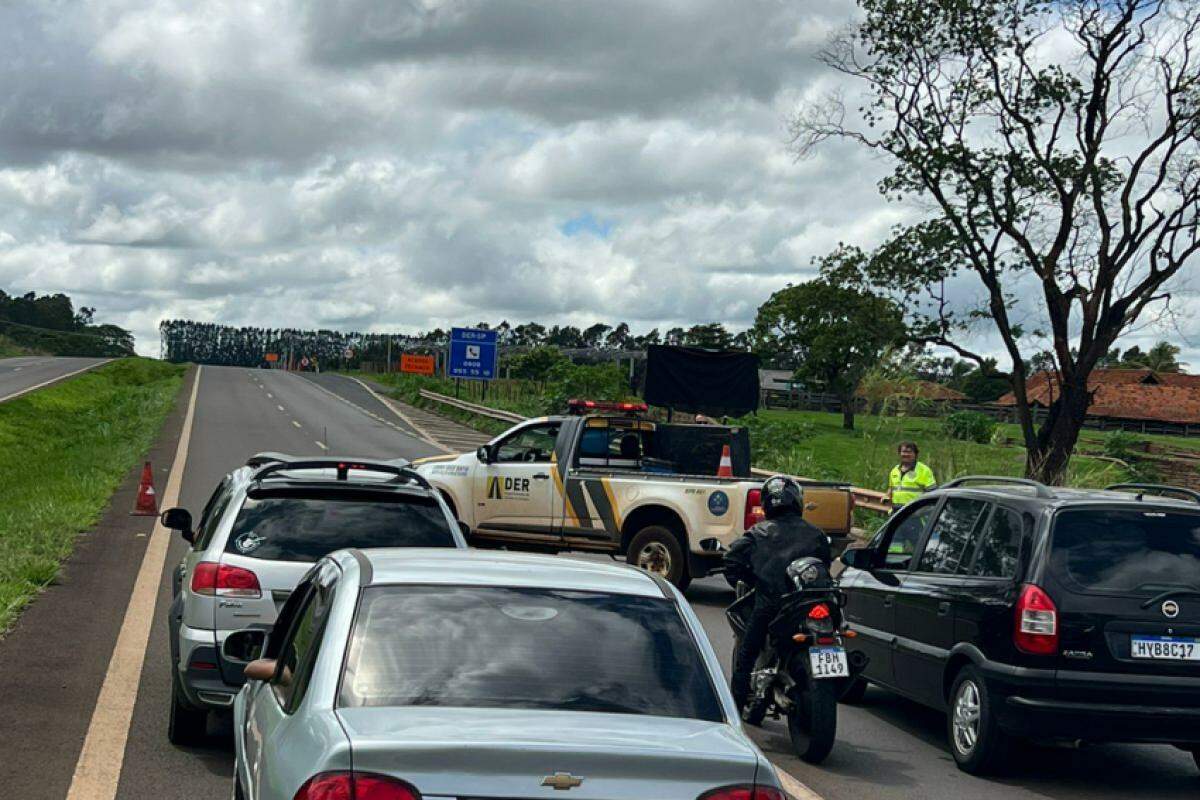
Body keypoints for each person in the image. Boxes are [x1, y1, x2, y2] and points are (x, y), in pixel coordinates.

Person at [724, 476, 832, 713]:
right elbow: (826, 561)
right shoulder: (817, 534)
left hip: (773, 603)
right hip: (814, 601)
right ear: (797, 501)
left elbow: (732, 560)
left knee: (746, 654)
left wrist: (748, 579)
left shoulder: (758, 533)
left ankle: (733, 712)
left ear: (767, 503)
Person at [888, 441, 936, 510]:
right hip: (896, 513)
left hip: (914, 513)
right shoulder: (894, 470)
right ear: (899, 453)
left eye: (909, 452)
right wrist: (886, 497)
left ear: (915, 454)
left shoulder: (924, 470)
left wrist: (922, 511)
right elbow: (891, 489)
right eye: (904, 451)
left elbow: (932, 493)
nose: (906, 454)